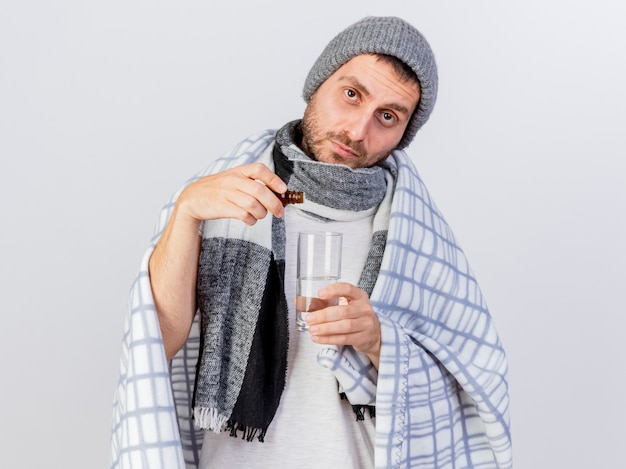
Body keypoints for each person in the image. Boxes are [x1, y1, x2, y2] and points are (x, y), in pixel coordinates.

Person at [110, 16, 512, 469]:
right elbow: (156, 341)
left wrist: (381, 341)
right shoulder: (224, 199)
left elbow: (474, 393)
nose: (358, 131)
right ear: (318, 83)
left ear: (404, 133)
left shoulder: (416, 237)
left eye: (387, 116)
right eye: (352, 94)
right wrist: (185, 212)